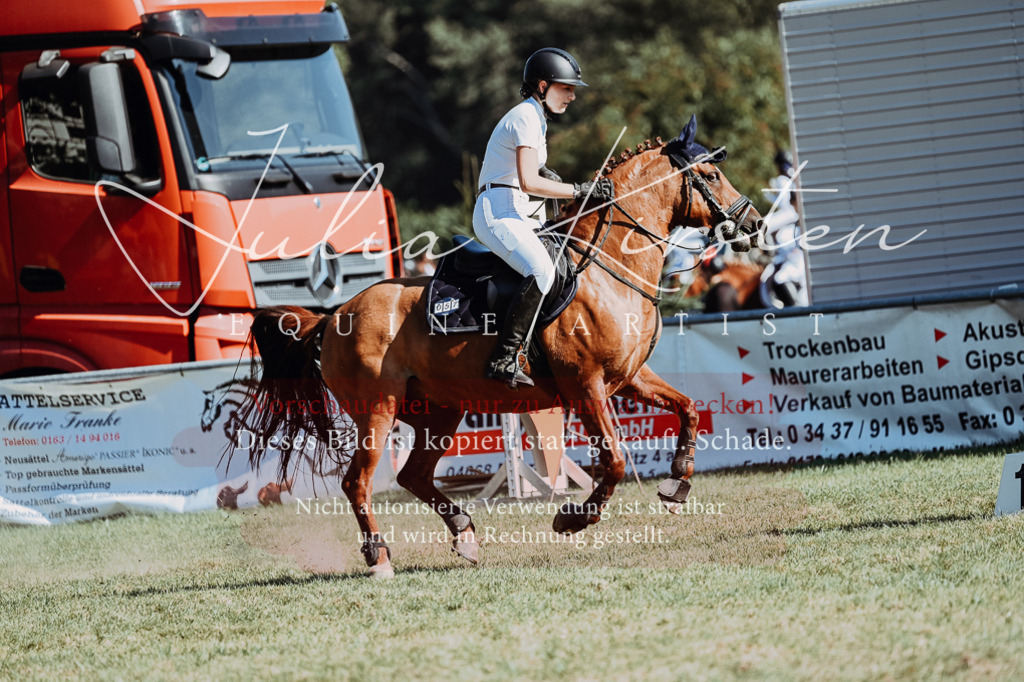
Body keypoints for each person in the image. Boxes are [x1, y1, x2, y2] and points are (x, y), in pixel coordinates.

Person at [473, 47, 613, 388]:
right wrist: (579, 190)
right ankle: (504, 357)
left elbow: (535, 172)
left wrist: (557, 179)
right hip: (497, 211)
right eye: (566, 88)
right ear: (542, 86)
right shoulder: (525, 117)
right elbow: (528, 181)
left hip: (518, 209)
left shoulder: (536, 118)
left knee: (565, 257)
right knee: (541, 270)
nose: (572, 96)